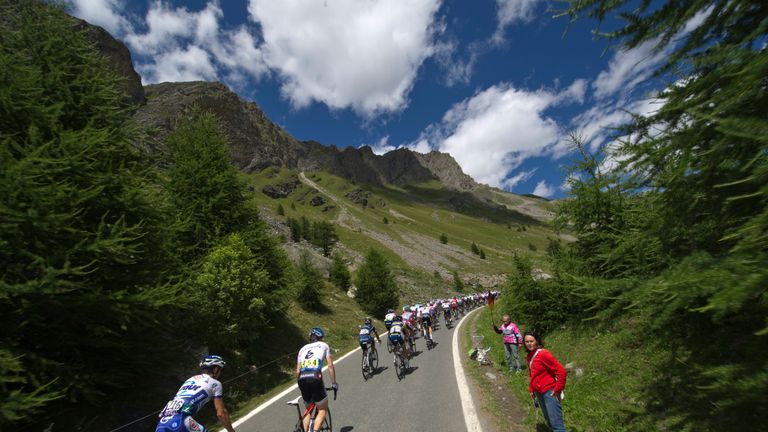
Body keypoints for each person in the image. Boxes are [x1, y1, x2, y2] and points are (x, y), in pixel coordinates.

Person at [156, 355, 236, 432]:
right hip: (182, 420)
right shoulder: (215, 383)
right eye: (220, 369)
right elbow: (221, 414)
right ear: (215, 369)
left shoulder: (190, 379)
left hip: (162, 423)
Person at [524, 331, 568, 432]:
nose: (529, 344)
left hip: (550, 392)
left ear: (537, 341)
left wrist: (558, 390)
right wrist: (532, 389)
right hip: (538, 392)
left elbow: (561, 372)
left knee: (557, 425)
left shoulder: (544, 354)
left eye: (531, 341)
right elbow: (532, 374)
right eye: (527, 342)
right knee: (549, 421)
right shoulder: (530, 355)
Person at [297, 327, 338, 432]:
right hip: (315, 377)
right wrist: (333, 383)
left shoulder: (302, 349)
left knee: (308, 410)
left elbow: (297, 372)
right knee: (322, 409)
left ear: (310, 337)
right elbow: (329, 365)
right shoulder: (324, 345)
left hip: (302, 378)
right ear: (321, 337)